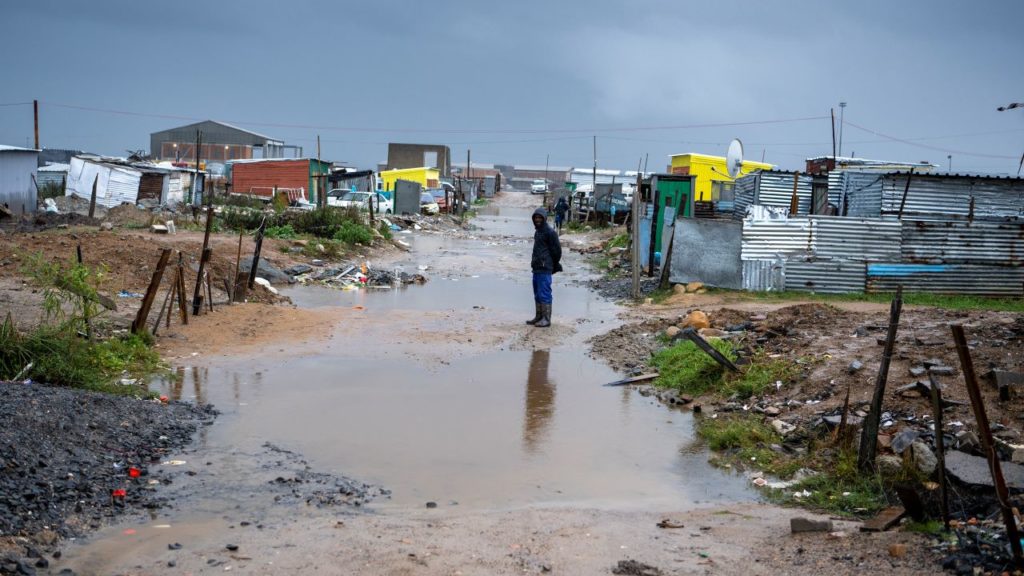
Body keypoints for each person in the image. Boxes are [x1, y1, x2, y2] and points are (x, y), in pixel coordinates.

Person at [526, 207, 562, 328]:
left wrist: (552, 264)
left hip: (545, 267)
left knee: (544, 293)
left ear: (544, 218)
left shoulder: (550, 232)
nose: (537, 220)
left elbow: (557, 251)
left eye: (540, 218)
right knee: (537, 293)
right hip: (536, 267)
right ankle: (539, 316)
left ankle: (546, 319)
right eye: (536, 218)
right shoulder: (538, 231)